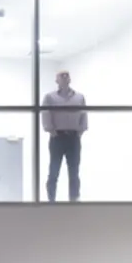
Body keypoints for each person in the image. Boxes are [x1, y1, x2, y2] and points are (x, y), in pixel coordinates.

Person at [41, 70, 87, 202]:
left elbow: (84, 115)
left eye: (67, 76)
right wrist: (51, 131)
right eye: (62, 76)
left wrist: (80, 132)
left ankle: (73, 201)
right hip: (58, 137)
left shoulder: (79, 97)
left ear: (70, 79)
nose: (65, 78)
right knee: (54, 170)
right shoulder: (50, 97)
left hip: (73, 137)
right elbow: (46, 114)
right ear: (56, 80)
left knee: (74, 171)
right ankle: (51, 200)